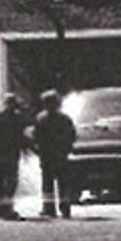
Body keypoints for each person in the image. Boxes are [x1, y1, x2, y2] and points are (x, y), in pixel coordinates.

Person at [31, 89, 77, 218]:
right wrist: (67, 148)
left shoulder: (41, 119)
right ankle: (65, 207)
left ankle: (49, 208)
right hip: (60, 154)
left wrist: (38, 149)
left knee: (48, 182)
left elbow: (36, 136)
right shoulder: (64, 119)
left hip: (47, 155)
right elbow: (71, 135)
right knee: (62, 182)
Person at [0, 94, 27, 220]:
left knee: (1, 181)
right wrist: (25, 148)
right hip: (10, 153)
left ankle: (1, 207)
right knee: (10, 181)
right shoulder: (18, 118)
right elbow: (21, 137)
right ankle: (7, 208)